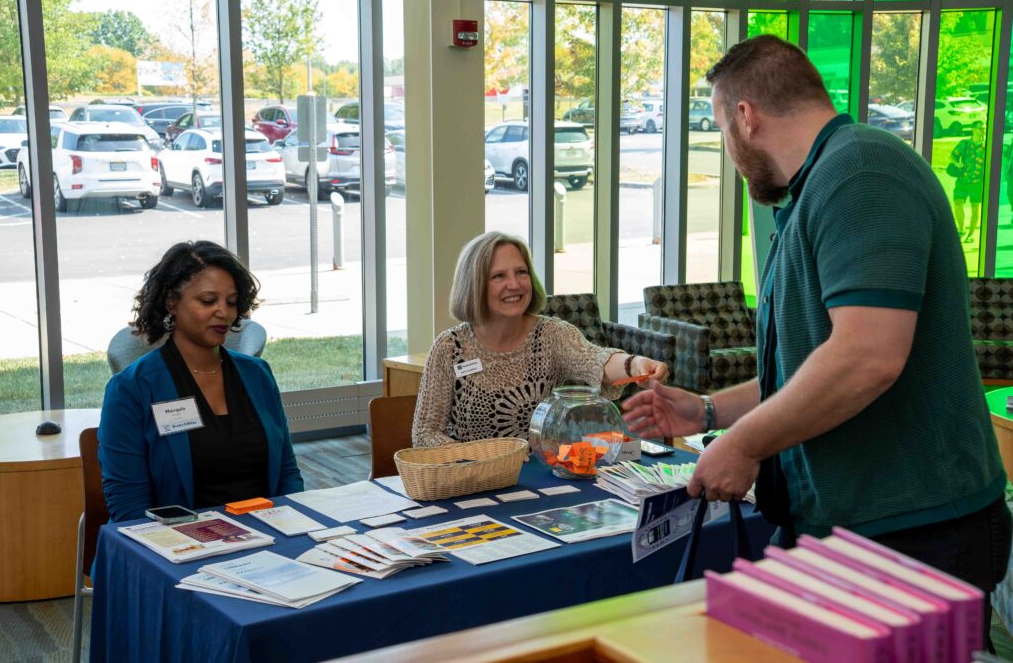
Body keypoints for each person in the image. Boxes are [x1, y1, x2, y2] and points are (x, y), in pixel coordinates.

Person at [622, 36, 1010, 642]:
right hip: (846, 525)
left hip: (914, 532)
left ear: (745, 117)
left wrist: (745, 443)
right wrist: (707, 410)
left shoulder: (861, 173)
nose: (729, 150)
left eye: (723, 130)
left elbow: (866, 357)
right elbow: (812, 363)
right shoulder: (824, 184)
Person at [98, 241, 304, 522]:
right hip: (177, 546)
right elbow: (129, 507)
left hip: (267, 536)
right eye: (208, 301)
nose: (224, 312)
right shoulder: (131, 389)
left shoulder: (257, 374)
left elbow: (287, 473)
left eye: (231, 302)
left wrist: (290, 526)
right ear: (172, 302)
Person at [412, 231, 669, 447]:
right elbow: (424, 433)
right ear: (475, 284)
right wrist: (481, 461)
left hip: (542, 478)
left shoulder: (551, 334)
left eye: (521, 272)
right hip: (470, 483)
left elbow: (595, 360)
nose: (514, 284)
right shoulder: (449, 348)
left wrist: (635, 365)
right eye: (498, 276)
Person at [949, 120, 986, 243]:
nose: (982, 130)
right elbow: (952, 155)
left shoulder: (986, 146)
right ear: (974, 129)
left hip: (977, 182)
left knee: (975, 208)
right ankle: (961, 229)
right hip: (962, 181)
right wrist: (957, 163)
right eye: (980, 128)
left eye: (983, 128)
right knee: (958, 204)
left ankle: (971, 234)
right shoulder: (964, 144)